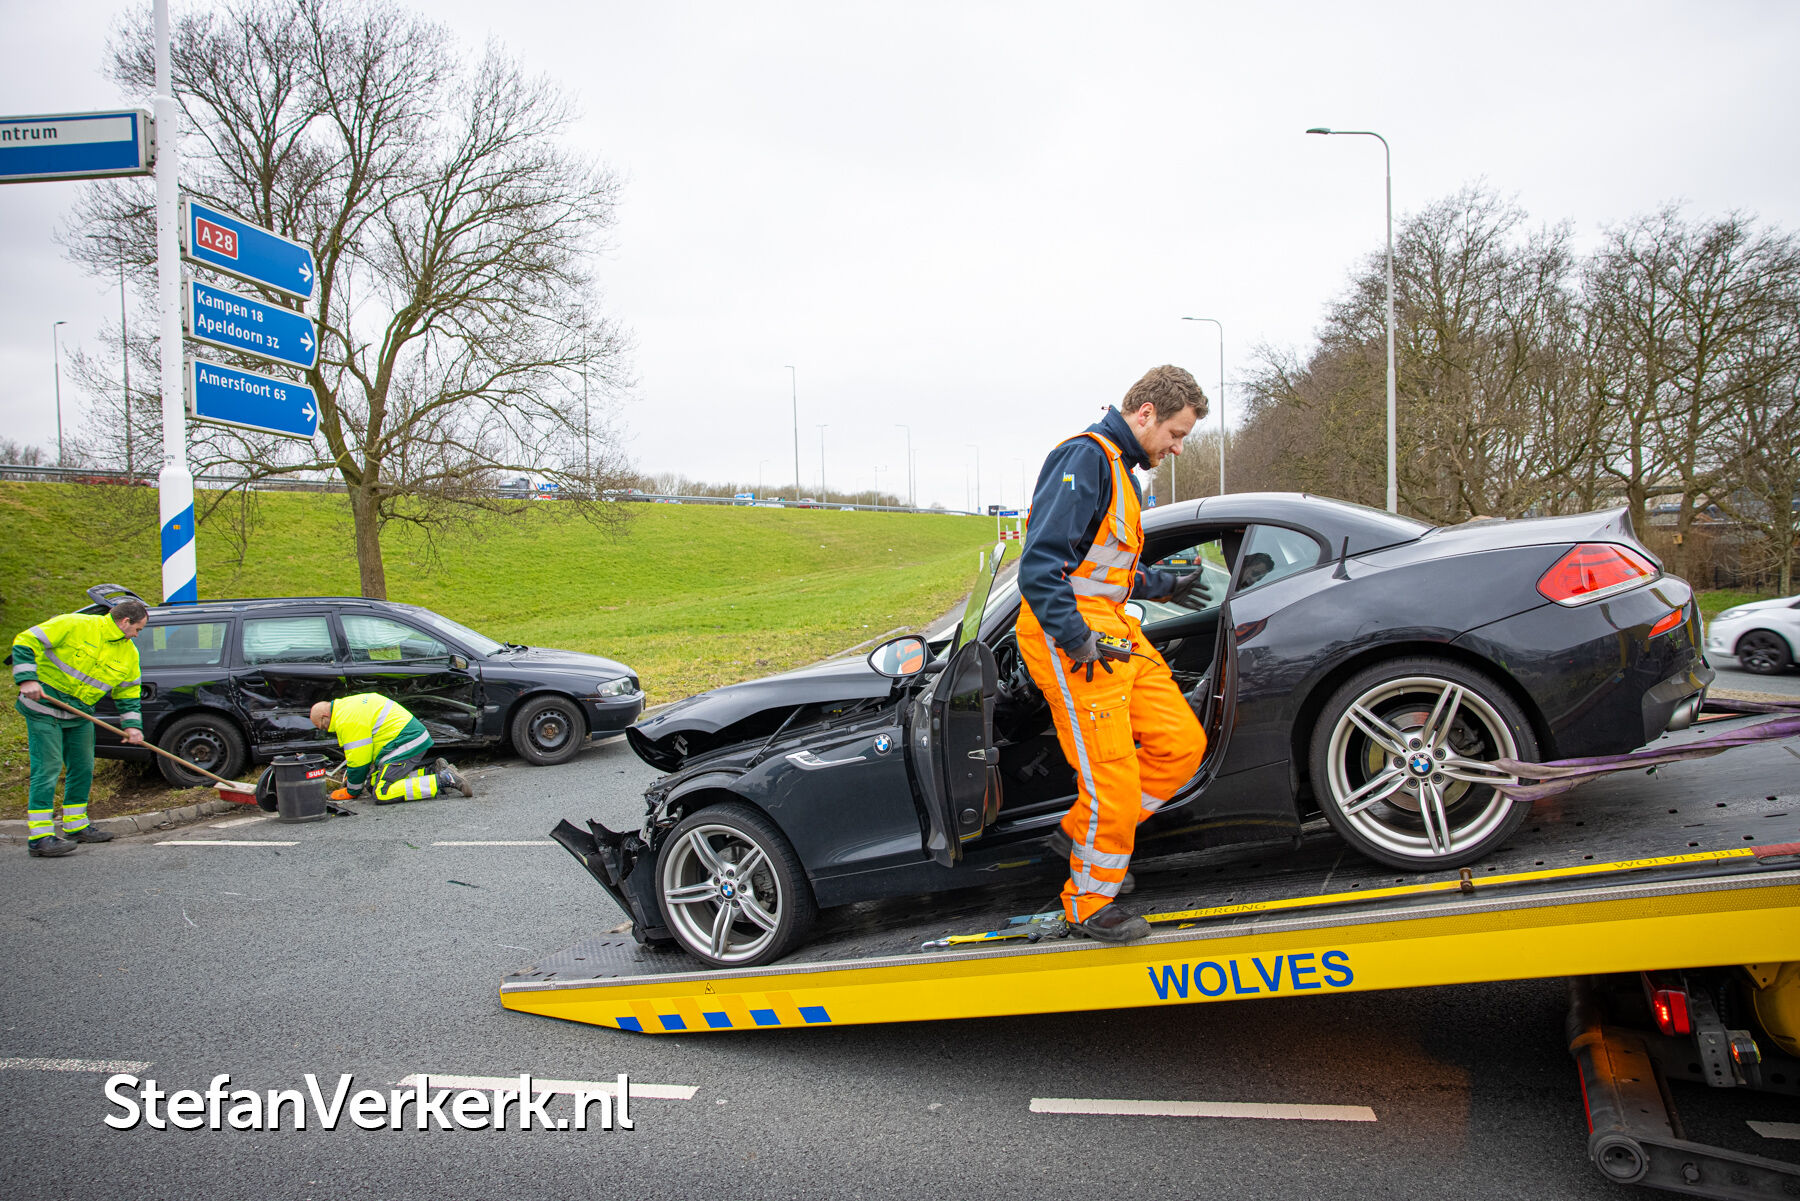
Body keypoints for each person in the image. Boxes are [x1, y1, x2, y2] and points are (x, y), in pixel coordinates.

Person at [1016, 365, 1213, 942]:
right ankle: (1088, 903)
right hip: (1073, 634)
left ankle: (1083, 831)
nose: (1177, 448)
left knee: (1181, 744)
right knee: (1113, 777)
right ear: (1146, 413)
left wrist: (1163, 585)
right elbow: (1041, 567)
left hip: (1111, 626)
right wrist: (1074, 638)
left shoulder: (1121, 471)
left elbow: (1100, 567)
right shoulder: (1084, 458)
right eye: (1176, 434)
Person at [12, 599, 150, 858]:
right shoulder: (74, 624)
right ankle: (40, 838)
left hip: (79, 714)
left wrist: (132, 726)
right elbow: (26, 640)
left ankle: (76, 826)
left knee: (83, 767)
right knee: (49, 767)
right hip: (44, 707)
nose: (137, 635)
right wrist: (27, 679)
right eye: (137, 629)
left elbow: (128, 692)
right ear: (125, 622)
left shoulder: (129, 653)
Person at [308, 694, 474, 803]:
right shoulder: (346, 707)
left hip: (406, 741)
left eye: (322, 726)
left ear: (324, 716)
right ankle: (431, 772)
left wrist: (352, 790)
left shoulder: (346, 719)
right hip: (405, 739)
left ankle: (444, 779)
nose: (325, 730)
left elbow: (359, 761)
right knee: (373, 784)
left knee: (382, 792)